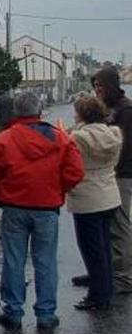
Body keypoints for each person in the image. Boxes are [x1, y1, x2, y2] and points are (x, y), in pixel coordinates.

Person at [0, 92, 84, 330]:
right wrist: (57, 190)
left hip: (14, 208)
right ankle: (46, 314)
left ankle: (13, 311)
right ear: (40, 111)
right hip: (47, 209)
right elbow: (75, 172)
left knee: (13, 260)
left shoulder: (2, 141)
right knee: (45, 261)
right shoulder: (61, 139)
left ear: (17, 112)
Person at [73, 67, 132, 294]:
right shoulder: (114, 109)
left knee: (120, 227)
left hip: (122, 175)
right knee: (104, 231)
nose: (98, 91)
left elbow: (123, 147)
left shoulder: (126, 110)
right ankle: (102, 273)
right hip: (111, 175)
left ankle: (124, 277)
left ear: (111, 86)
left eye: (101, 87)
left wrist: (110, 167)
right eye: (95, 86)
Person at [67, 96, 123, 310]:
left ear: (82, 115)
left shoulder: (78, 137)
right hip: (109, 193)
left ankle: (98, 295)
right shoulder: (114, 134)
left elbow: (70, 161)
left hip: (87, 196)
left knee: (91, 247)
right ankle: (105, 284)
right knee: (104, 245)